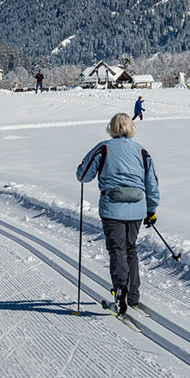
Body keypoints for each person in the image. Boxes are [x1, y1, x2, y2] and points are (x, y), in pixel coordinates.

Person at [76, 113, 160, 315]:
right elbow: (152, 182)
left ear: (111, 128)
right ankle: (133, 295)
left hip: (112, 207)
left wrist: (81, 165)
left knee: (117, 250)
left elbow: (83, 176)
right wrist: (152, 210)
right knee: (131, 248)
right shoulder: (142, 151)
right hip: (137, 208)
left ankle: (120, 289)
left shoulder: (103, 148)